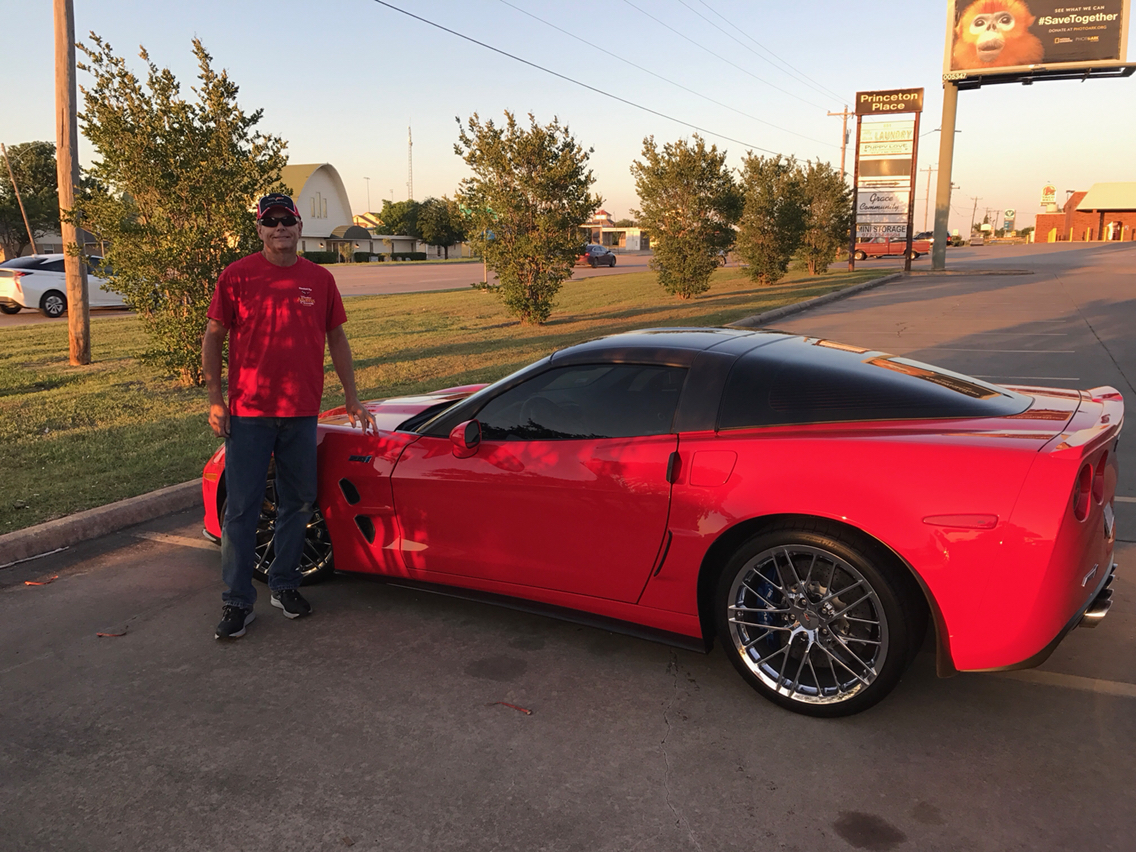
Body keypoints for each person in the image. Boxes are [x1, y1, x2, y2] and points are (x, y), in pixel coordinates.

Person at [202, 193, 377, 639]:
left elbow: (336, 339)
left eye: (288, 220)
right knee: (241, 509)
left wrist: (352, 397)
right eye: (271, 221)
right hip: (249, 413)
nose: (280, 228)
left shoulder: (319, 280)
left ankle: (283, 584)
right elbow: (214, 336)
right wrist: (216, 399)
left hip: (301, 414)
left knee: (297, 503)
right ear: (259, 229)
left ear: (300, 228)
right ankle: (238, 602)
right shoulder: (237, 276)